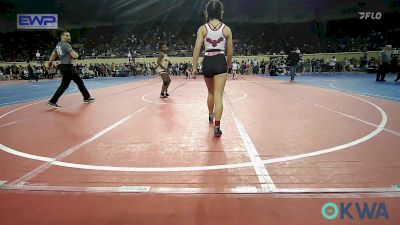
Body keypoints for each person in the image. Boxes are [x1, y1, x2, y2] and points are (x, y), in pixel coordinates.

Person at [192, 0, 233, 137]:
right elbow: (230, 51)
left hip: (208, 61)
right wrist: (226, 65)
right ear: (221, 12)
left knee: (210, 93)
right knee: (219, 96)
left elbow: (197, 48)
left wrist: (194, 67)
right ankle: (217, 126)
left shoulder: (202, 29)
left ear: (207, 12)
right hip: (220, 60)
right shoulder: (226, 29)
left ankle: (210, 115)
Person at [47, 29, 94, 108]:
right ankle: (86, 97)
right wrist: (77, 54)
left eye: (69, 35)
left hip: (63, 67)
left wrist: (49, 63)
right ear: (62, 36)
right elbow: (75, 56)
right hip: (68, 67)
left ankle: (53, 101)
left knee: (65, 85)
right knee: (78, 82)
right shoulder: (66, 45)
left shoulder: (58, 45)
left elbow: (53, 54)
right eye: (67, 35)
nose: (69, 37)